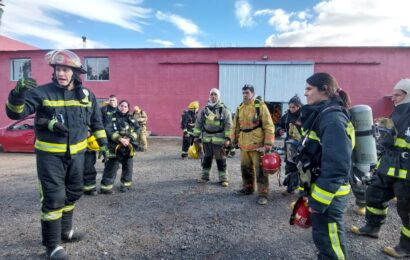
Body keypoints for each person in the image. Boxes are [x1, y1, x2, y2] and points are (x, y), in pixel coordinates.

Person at [5, 49, 108, 259]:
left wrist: (104, 144)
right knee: (54, 198)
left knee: (74, 191)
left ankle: (65, 231)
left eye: (66, 69)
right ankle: (52, 246)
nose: (61, 73)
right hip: (50, 157)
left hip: (78, 156)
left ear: (76, 72)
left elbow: (96, 122)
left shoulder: (87, 96)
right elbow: (15, 113)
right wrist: (18, 94)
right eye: (58, 69)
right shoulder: (41, 93)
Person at [296, 72, 354, 259]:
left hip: (330, 195)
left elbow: (337, 165)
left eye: (309, 89)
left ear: (325, 90)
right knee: (324, 238)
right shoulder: (322, 114)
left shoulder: (332, 119)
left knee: (330, 242)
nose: (305, 93)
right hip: (323, 190)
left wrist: (320, 200)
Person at [351, 79, 410, 258]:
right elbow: (391, 140)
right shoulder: (397, 113)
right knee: (374, 195)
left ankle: (407, 247)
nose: (393, 97)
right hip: (389, 167)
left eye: (398, 94)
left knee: (407, 210)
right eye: (393, 94)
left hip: (407, 172)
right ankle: (372, 227)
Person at [231, 84, 275, 205]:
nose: (245, 95)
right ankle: (248, 188)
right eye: (243, 93)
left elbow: (268, 124)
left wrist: (268, 142)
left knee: (260, 170)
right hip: (244, 144)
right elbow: (235, 125)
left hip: (258, 144)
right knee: (245, 168)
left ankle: (263, 194)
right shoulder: (240, 107)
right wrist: (233, 139)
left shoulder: (260, 106)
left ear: (253, 94)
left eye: (247, 93)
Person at [193, 88, 232, 187]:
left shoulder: (224, 110)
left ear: (218, 97)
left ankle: (223, 179)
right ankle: (205, 176)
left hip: (219, 140)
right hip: (206, 139)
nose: (213, 96)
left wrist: (228, 138)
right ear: (209, 96)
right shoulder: (204, 110)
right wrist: (196, 137)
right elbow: (198, 123)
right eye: (212, 94)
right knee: (206, 158)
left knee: (221, 159)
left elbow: (228, 124)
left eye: (215, 95)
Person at [100, 100, 140, 194]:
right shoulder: (111, 116)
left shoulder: (131, 118)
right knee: (111, 167)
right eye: (122, 106)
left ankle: (125, 185)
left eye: (125, 106)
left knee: (128, 167)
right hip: (114, 146)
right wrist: (119, 139)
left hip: (128, 146)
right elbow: (108, 129)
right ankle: (106, 187)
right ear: (118, 106)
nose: (123, 108)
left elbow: (137, 129)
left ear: (128, 108)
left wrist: (129, 139)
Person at [276, 94, 303, 196]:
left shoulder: (305, 116)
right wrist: (279, 131)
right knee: (290, 167)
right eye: (290, 107)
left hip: (302, 147)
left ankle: (304, 191)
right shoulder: (286, 116)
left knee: (303, 169)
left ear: (299, 106)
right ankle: (290, 188)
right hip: (290, 147)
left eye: (294, 107)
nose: (292, 109)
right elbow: (278, 125)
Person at [83, 131, 100, 196]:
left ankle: (90, 188)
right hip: (75, 142)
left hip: (89, 145)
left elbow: (96, 126)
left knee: (89, 166)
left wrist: (90, 132)